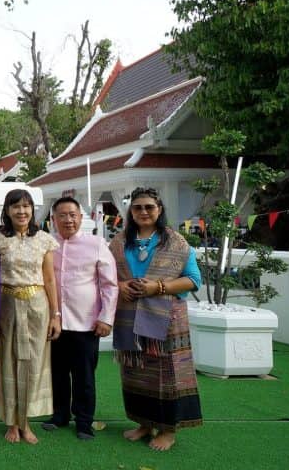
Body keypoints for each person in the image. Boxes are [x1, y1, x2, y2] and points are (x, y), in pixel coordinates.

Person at [111, 187, 203, 451]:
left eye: (149, 207)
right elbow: (105, 275)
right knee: (136, 372)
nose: (143, 212)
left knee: (168, 373)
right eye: (138, 207)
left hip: (168, 318)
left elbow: (193, 280)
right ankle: (144, 424)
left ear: (159, 210)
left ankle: (168, 430)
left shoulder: (176, 242)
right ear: (131, 211)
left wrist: (157, 287)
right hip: (129, 316)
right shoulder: (119, 242)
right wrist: (119, 285)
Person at [42, 196, 118, 441]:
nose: (68, 220)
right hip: (54, 322)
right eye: (62, 215)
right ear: (53, 219)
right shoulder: (46, 244)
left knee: (84, 376)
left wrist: (106, 318)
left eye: (72, 215)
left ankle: (84, 421)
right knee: (57, 373)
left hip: (86, 322)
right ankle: (59, 415)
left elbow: (110, 285)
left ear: (81, 217)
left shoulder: (96, 244)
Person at [0, 189, 60, 445]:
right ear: (7, 211)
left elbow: (50, 279)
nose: (21, 211)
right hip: (6, 305)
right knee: (8, 361)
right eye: (15, 206)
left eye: (26, 206)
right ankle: (11, 422)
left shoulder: (44, 240)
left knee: (34, 363)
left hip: (37, 307)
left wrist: (56, 315)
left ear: (32, 210)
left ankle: (26, 422)